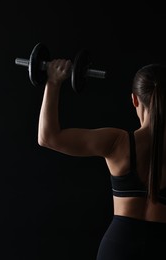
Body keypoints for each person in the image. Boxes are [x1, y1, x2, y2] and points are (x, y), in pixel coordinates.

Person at [37, 58, 166, 259]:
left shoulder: (118, 142)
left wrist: (53, 83)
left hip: (119, 246)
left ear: (134, 100)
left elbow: (48, 137)